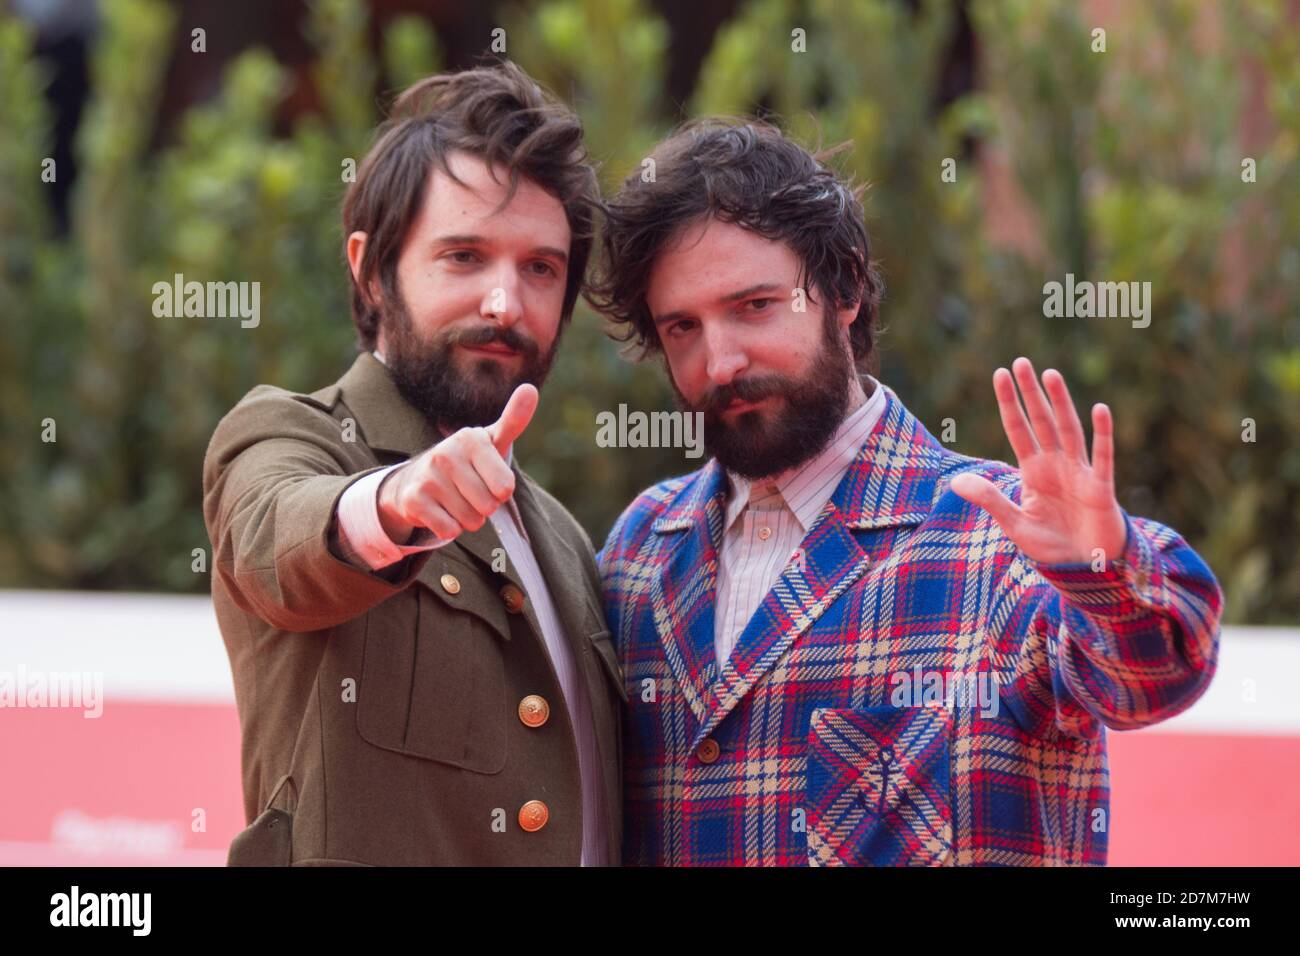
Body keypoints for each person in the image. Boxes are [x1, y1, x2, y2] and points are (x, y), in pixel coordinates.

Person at [590, 119, 1224, 866]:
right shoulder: (639, 553)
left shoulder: (997, 537)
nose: (720, 360)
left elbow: (1158, 674)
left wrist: (1102, 565)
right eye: (682, 328)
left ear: (846, 287)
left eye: (755, 305)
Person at [202, 61, 623, 866]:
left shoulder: (566, 542)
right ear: (369, 266)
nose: (506, 303)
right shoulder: (287, 435)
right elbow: (277, 535)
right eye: (464, 256)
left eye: (541, 268)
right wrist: (396, 502)